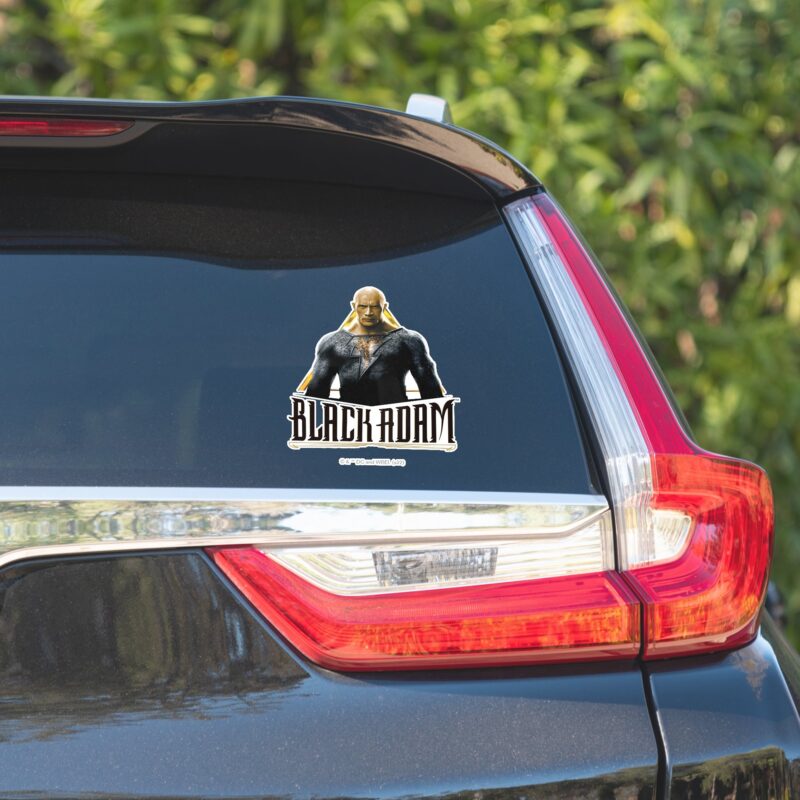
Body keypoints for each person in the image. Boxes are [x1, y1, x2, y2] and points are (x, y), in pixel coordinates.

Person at [303, 286, 445, 406]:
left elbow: (430, 389)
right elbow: (316, 393)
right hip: (349, 422)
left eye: (375, 307)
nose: (369, 312)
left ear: (384, 307)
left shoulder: (409, 340)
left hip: (394, 421)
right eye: (363, 306)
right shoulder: (333, 342)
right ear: (353, 306)